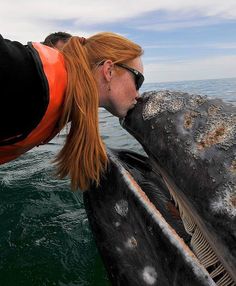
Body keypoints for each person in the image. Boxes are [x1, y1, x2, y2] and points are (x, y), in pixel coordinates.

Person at [0, 32, 144, 191]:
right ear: (109, 70)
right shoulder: (29, 77)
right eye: (138, 81)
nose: (138, 94)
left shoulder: (65, 99)